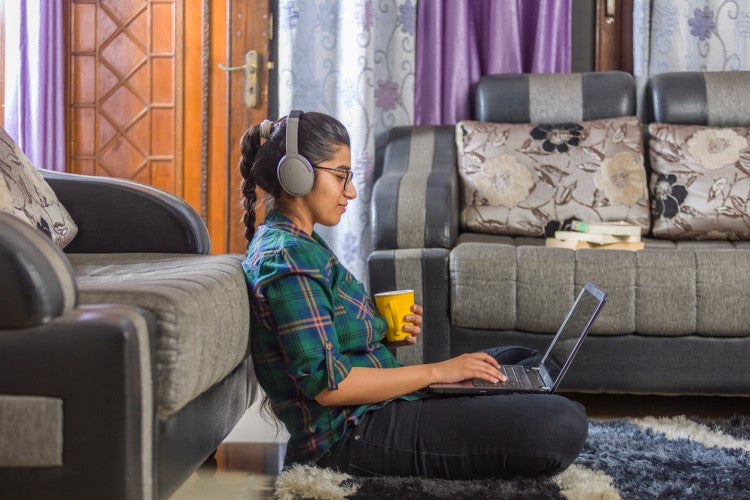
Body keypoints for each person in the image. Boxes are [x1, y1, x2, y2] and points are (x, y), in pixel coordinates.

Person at [240, 111, 588, 479]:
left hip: (377, 407)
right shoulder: (288, 259)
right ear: (298, 174)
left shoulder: (301, 244)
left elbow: (327, 337)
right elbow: (329, 386)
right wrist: (437, 372)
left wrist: (383, 330)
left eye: (349, 177)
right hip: (350, 435)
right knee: (563, 423)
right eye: (340, 175)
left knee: (521, 361)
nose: (351, 191)